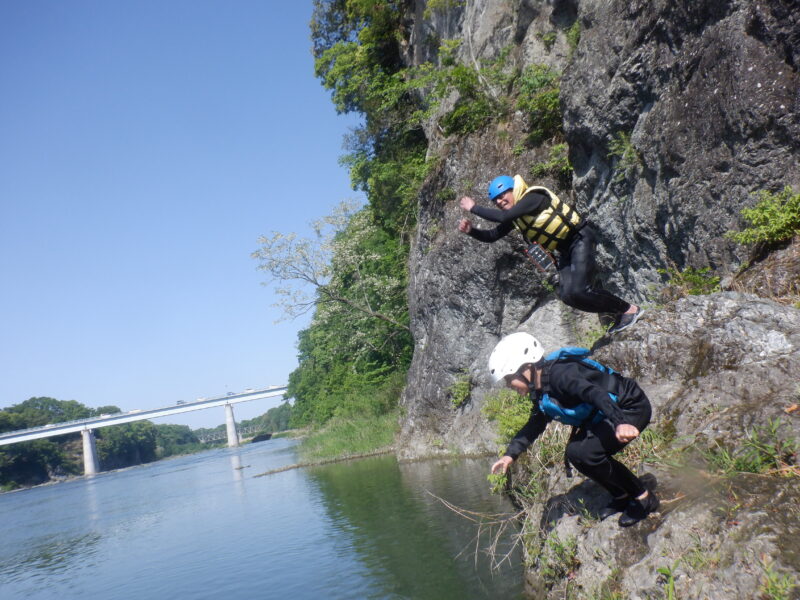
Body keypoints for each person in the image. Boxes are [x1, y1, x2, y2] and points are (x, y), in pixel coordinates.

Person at [487, 332, 658, 527]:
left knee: (586, 453)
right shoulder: (541, 389)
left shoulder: (562, 375)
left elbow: (595, 394)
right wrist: (510, 455)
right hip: (609, 415)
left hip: (630, 408)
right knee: (576, 453)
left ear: (526, 368)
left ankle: (643, 498)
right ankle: (622, 494)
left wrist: (620, 422)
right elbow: (536, 423)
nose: (509, 385)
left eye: (509, 378)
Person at [458, 174, 642, 334]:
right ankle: (618, 312)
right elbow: (492, 235)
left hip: (579, 239)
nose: (499, 201)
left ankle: (629, 310)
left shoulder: (533, 197)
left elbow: (504, 217)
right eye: (495, 200)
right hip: (564, 250)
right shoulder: (516, 217)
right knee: (568, 295)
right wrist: (472, 231)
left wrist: (474, 208)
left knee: (580, 289)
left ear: (514, 190)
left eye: (502, 195)